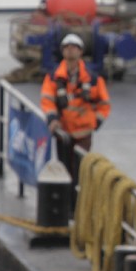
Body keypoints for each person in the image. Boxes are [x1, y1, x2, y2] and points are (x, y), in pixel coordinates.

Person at [40, 33, 110, 192]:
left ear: (81, 51)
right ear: (62, 51)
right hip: (63, 132)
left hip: (83, 133)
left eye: (74, 47)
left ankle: (78, 201)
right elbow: (47, 100)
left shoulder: (93, 79)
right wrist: (53, 119)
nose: (70, 50)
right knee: (65, 170)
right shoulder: (53, 77)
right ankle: (68, 201)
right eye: (67, 47)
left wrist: (96, 121)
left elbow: (104, 103)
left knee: (81, 170)